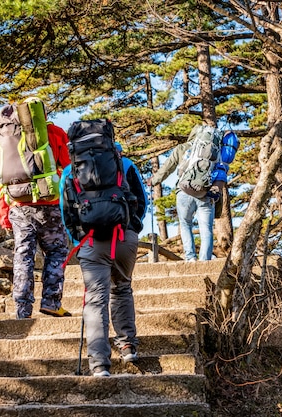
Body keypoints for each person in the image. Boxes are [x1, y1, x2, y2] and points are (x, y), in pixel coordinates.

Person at [60, 141, 147, 377]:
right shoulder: (126, 164)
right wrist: (132, 229)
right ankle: (128, 345)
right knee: (121, 288)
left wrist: (76, 239)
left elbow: (65, 210)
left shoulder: (71, 169)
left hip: (91, 241)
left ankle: (99, 363)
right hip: (123, 237)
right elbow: (142, 201)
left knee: (96, 300)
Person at [0, 99, 72, 319]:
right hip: (49, 205)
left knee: (23, 256)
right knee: (56, 252)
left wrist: (4, 216)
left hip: (18, 206)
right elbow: (68, 171)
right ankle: (51, 302)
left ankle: (22, 309)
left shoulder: (2, 139)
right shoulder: (54, 133)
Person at [149, 130, 230, 262]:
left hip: (184, 192)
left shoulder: (183, 148)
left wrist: (153, 181)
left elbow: (167, 167)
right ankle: (205, 261)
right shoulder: (214, 152)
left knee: (185, 224)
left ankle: (190, 258)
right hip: (205, 194)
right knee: (206, 229)